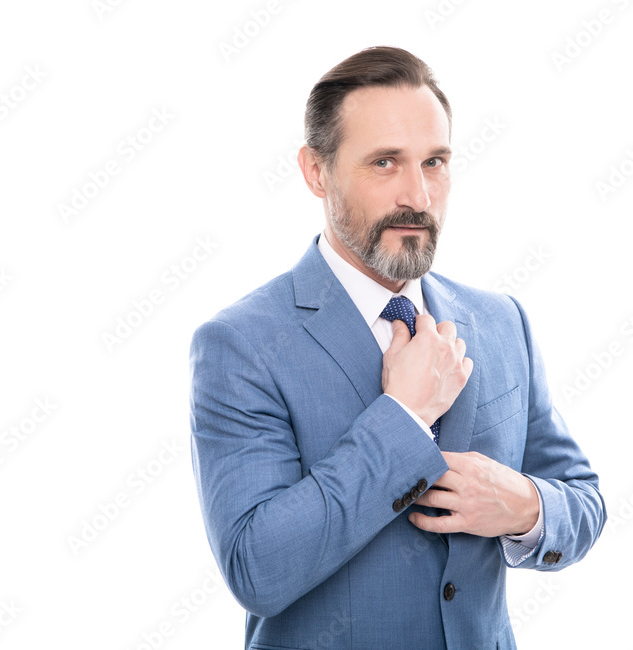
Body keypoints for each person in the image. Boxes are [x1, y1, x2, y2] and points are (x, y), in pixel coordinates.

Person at [189, 45, 606, 649]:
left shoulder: (501, 321)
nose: (418, 195)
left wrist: (524, 506)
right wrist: (404, 417)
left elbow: (583, 501)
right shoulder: (241, 346)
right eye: (385, 163)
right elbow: (258, 569)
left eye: (434, 162)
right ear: (316, 171)